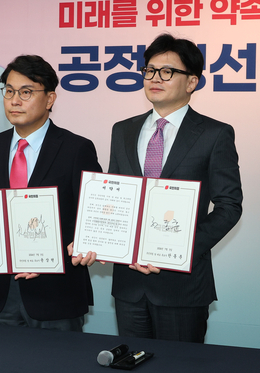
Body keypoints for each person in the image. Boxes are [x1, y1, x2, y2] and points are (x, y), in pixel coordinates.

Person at [0, 55, 102, 331]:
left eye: (26, 92)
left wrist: (82, 243)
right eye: (9, 91)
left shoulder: (76, 148)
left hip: (56, 292)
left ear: (50, 99)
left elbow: (93, 216)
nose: (15, 100)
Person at [108, 33, 243, 343]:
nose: (155, 78)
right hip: (128, 283)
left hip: (182, 285)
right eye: (149, 70)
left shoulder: (215, 134)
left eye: (167, 71)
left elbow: (228, 206)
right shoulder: (123, 130)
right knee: (131, 361)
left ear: (192, 82)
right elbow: (114, 193)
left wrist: (178, 251)